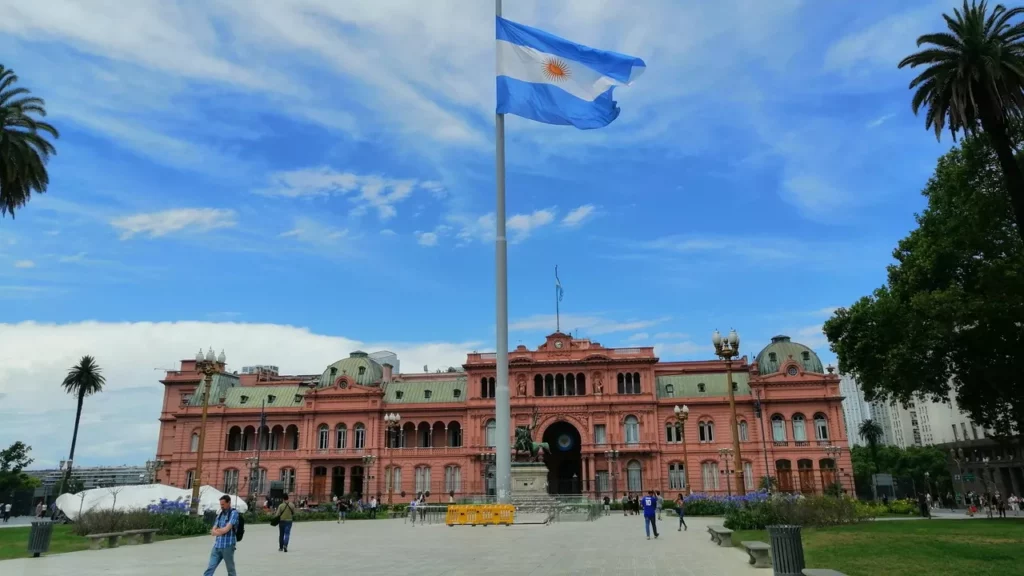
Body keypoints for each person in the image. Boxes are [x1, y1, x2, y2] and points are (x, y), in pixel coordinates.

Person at [203, 495, 239, 576]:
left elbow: (226, 529)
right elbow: (213, 531)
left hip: (228, 545)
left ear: (229, 503)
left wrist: (218, 531)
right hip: (217, 546)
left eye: (223, 504)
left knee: (230, 569)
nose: (221, 506)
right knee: (210, 567)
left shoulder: (234, 513)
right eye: (220, 504)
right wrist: (218, 531)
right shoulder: (220, 514)